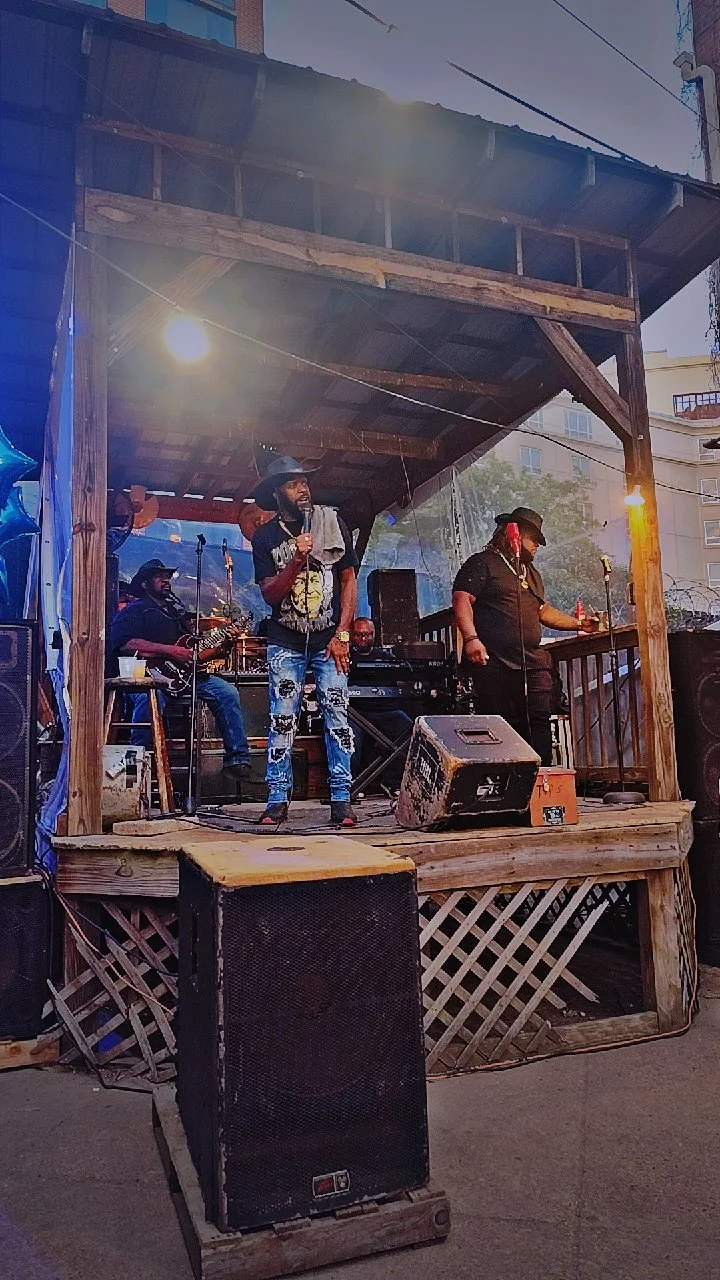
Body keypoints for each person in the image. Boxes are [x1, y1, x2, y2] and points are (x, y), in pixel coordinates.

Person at [250, 456, 359, 827]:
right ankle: (277, 798)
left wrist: (343, 632)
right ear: (276, 493)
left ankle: (342, 800)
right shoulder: (265, 537)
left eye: (304, 482)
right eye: (293, 483)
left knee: (336, 716)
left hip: (329, 639)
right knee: (282, 719)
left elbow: (348, 579)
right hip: (286, 641)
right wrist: (297, 558)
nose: (303, 488)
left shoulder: (332, 522)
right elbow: (271, 595)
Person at [452, 506, 597, 766]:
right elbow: (462, 599)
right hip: (494, 662)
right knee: (498, 726)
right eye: (534, 540)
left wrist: (578, 623)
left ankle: (538, 784)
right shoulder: (483, 563)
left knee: (538, 723)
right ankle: (502, 787)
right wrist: (472, 638)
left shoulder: (531, 574)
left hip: (531, 664)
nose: (537, 547)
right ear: (513, 533)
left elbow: (542, 611)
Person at [108, 558, 251, 781]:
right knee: (148, 702)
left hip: (184, 677)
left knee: (227, 692)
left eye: (167, 576)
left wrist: (224, 645)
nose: (166, 580)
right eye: (159, 576)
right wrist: (171, 651)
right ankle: (132, 774)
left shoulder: (177, 615)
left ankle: (237, 759)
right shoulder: (134, 611)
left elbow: (193, 654)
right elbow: (125, 643)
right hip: (150, 676)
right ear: (145, 583)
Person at [349, 618, 413, 791]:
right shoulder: (345, 656)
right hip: (354, 712)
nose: (364, 639)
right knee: (347, 737)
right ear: (351, 635)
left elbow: (406, 678)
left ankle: (393, 782)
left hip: (385, 710)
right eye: (360, 635)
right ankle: (353, 785)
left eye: (368, 635)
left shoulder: (385, 657)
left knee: (409, 730)